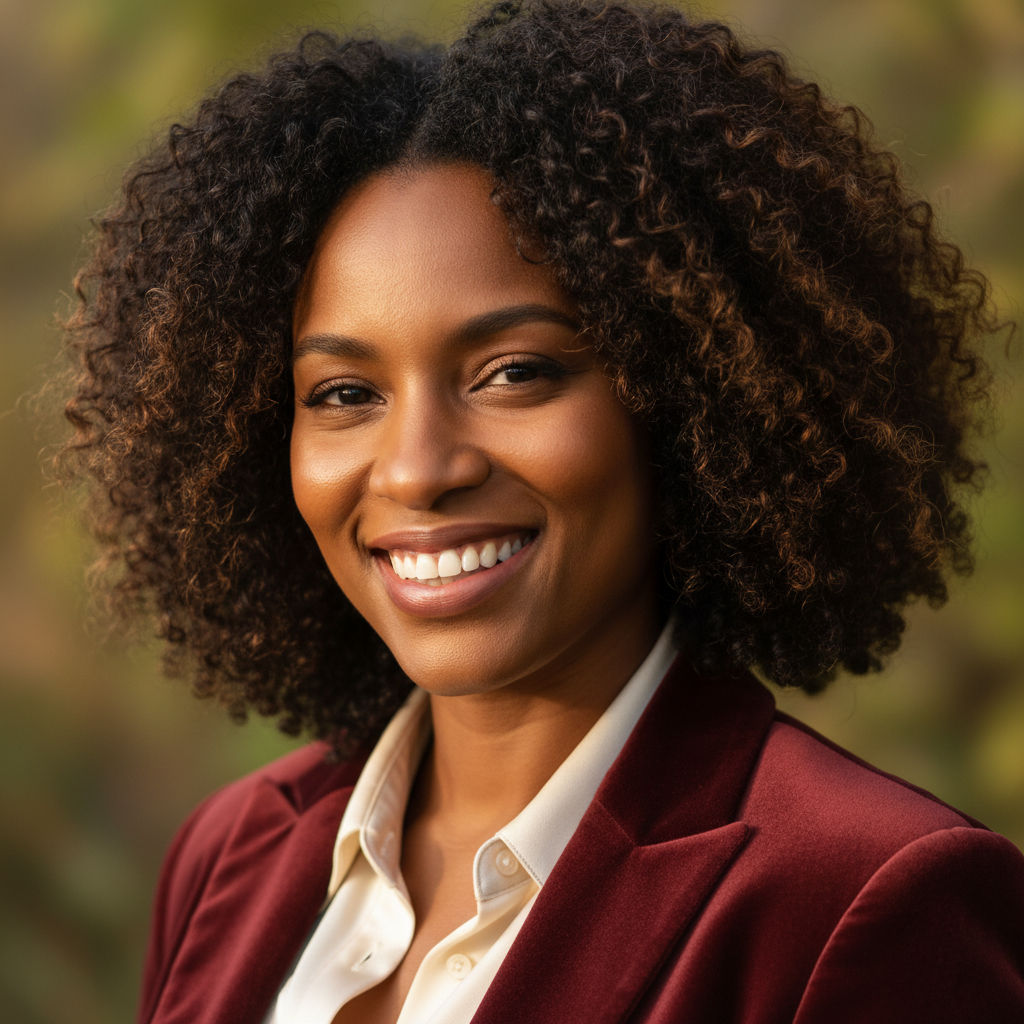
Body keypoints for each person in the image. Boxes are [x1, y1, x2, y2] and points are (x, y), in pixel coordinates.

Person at [58, 1, 1024, 1022]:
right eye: (344, 393)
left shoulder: (865, 900)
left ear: (689, 393)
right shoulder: (232, 852)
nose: (418, 470)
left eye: (514, 372)